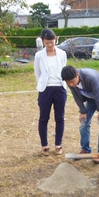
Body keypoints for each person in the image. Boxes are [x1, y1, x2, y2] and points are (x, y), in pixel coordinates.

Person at [61, 65, 99, 163]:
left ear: (77, 75)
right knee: (84, 122)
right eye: (68, 83)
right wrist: (82, 111)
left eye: (72, 81)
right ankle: (85, 150)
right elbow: (76, 96)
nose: (71, 84)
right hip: (91, 98)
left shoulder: (90, 77)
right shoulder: (71, 82)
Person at [34, 28, 67, 156]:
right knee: (44, 118)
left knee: (60, 117)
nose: (49, 45)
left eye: (51, 42)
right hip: (45, 90)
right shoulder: (39, 55)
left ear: (55, 39)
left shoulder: (62, 54)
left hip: (60, 88)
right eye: (47, 42)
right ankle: (44, 145)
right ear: (42, 41)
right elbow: (38, 73)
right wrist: (42, 84)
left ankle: (58, 144)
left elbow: (64, 70)